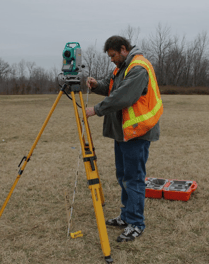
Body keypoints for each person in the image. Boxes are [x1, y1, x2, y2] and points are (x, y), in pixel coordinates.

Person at [85, 35, 163, 242]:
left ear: (123, 49)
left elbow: (123, 97)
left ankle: (136, 223)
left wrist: (96, 110)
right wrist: (95, 85)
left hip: (137, 133)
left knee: (133, 179)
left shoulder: (138, 68)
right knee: (123, 176)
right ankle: (126, 216)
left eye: (113, 55)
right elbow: (113, 88)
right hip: (124, 133)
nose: (111, 59)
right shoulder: (123, 67)